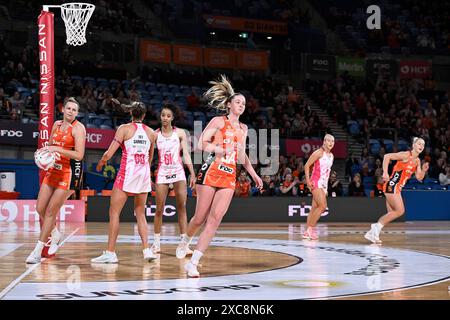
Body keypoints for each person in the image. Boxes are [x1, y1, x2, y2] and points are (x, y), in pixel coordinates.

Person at [176, 75, 263, 277]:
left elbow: (242, 156)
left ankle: (194, 263)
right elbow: (201, 145)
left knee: (215, 220)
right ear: (229, 104)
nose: (241, 105)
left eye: (243, 103)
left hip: (229, 176)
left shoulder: (244, 129)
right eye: (238, 102)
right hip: (210, 171)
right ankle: (185, 240)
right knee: (199, 218)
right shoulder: (218, 121)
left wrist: (254, 175)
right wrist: (219, 150)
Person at [91, 100, 157, 263]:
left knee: (114, 213)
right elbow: (150, 158)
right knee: (140, 213)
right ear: (144, 114)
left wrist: (101, 163)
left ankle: (111, 253)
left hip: (127, 174)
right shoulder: (151, 133)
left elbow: (109, 153)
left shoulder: (124, 129)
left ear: (130, 113)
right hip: (143, 175)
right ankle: (147, 250)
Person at [26, 97, 86, 263]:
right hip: (53, 170)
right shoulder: (56, 125)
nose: (71, 112)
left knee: (51, 211)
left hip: (69, 173)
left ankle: (37, 251)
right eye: (69, 108)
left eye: (74, 110)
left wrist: (56, 148)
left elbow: (79, 155)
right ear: (63, 110)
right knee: (40, 208)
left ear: (77, 113)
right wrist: (45, 156)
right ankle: (55, 233)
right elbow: (51, 147)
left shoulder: (79, 129)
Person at [150, 104, 196, 255]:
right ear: (160, 116)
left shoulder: (180, 133)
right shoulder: (155, 135)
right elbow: (150, 157)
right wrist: (147, 174)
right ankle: (156, 244)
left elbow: (186, 155)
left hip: (178, 172)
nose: (165, 118)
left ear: (172, 118)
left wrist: (192, 173)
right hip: (162, 172)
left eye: (168, 116)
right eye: (163, 115)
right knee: (158, 210)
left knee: (182, 207)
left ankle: (183, 244)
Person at [365, 137, 429, 244]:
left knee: (391, 213)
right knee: (400, 211)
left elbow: (419, 177)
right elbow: (387, 156)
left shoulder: (417, 161)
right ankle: (375, 227)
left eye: (423, 144)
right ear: (413, 145)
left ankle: (373, 233)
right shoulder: (405, 155)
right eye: (419, 144)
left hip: (397, 188)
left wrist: (423, 170)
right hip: (392, 185)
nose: (421, 146)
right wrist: (385, 172)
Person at [303, 134, 335, 240]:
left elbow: (327, 172)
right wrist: (308, 181)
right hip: (315, 182)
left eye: (333, 141)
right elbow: (306, 166)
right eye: (329, 141)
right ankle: (310, 229)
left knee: (314, 208)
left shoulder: (331, 156)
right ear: (324, 142)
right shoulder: (318, 153)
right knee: (322, 206)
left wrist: (325, 187)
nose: (331, 143)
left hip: (323, 184)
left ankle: (307, 232)